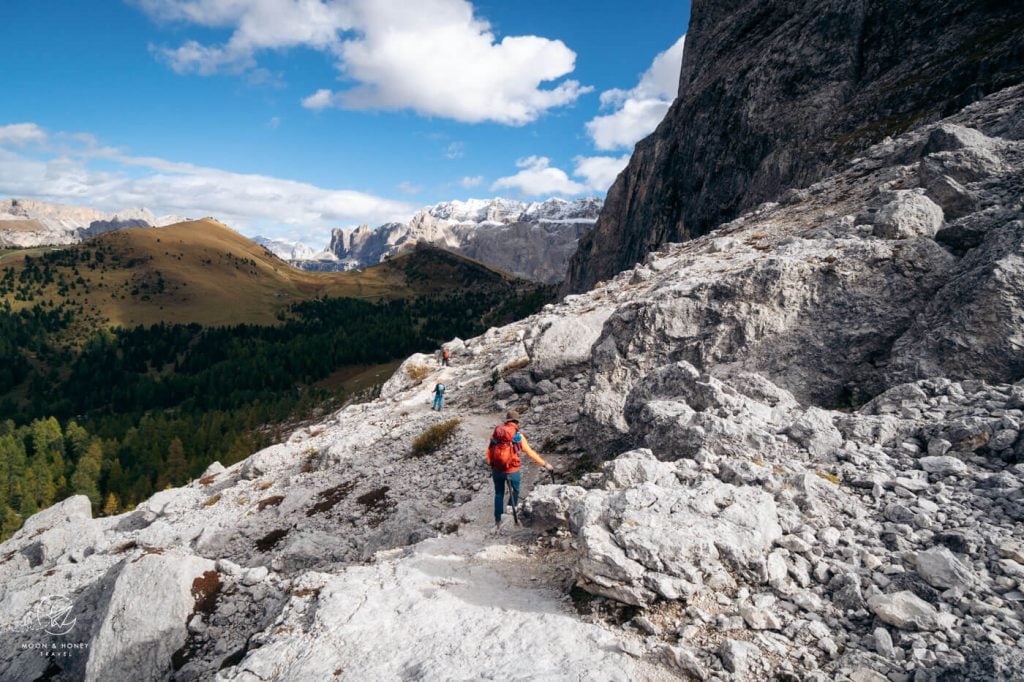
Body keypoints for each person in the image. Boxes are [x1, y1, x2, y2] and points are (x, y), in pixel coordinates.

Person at [485, 410, 552, 530]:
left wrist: (492, 464)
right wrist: (545, 464)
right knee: (515, 491)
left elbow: (489, 451)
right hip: (512, 470)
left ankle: (498, 520)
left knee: (499, 494)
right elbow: (530, 452)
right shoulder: (518, 436)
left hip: (497, 470)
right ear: (516, 422)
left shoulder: (497, 434)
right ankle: (511, 515)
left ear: (507, 422)